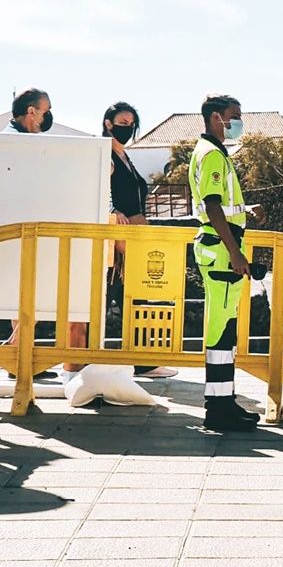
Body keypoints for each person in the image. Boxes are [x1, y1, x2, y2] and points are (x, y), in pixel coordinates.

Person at [187, 94, 265, 432]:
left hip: (220, 247)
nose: (238, 123)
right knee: (220, 333)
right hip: (221, 251)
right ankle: (217, 409)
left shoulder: (211, 153)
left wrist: (245, 212)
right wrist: (235, 252)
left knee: (224, 331)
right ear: (216, 118)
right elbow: (213, 206)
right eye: (234, 116)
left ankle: (223, 402)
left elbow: (217, 207)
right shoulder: (212, 155)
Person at [2, 89, 87, 381]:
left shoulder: (21, 141)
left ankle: (20, 357)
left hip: (21, 230)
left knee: (24, 296)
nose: (47, 117)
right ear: (31, 112)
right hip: (15, 232)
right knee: (23, 294)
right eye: (45, 110)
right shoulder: (12, 143)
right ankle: (17, 356)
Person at [104, 102, 177, 379]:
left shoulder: (124, 156)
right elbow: (99, 186)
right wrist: (113, 211)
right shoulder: (105, 153)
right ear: (108, 123)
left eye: (132, 123)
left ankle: (141, 360)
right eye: (122, 122)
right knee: (121, 295)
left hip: (137, 234)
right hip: (120, 237)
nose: (129, 127)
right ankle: (134, 361)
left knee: (133, 295)